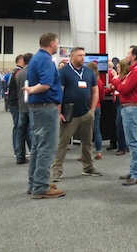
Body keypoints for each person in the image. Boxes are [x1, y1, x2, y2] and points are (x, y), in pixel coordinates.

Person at [24, 32, 65, 199]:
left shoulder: (36, 58)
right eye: (57, 43)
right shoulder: (46, 59)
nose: (58, 46)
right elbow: (46, 84)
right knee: (47, 147)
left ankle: (35, 182)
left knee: (37, 146)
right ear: (52, 43)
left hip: (37, 107)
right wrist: (32, 90)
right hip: (46, 107)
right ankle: (41, 186)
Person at [51, 47, 101, 182]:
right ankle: (56, 170)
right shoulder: (63, 72)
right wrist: (59, 112)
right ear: (72, 56)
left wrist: (92, 110)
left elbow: (95, 91)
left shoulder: (89, 72)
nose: (82, 58)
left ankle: (88, 167)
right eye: (80, 55)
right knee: (62, 143)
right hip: (70, 114)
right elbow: (59, 93)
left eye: (84, 55)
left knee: (87, 142)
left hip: (86, 113)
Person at [111, 45, 137, 186]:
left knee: (133, 142)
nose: (126, 56)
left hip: (132, 108)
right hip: (131, 108)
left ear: (134, 57)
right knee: (132, 141)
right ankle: (134, 171)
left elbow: (124, 89)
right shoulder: (134, 71)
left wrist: (115, 80)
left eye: (128, 53)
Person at [15, 53, 33, 164]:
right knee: (32, 131)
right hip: (32, 105)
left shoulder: (19, 73)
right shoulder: (33, 73)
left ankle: (19, 156)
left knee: (20, 131)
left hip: (21, 106)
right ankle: (34, 153)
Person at [86, 61, 106, 160]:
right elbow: (102, 96)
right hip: (97, 107)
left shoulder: (87, 81)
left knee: (85, 131)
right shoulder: (100, 82)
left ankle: (85, 153)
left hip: (87, 107)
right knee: (96, 130)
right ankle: (99, 152)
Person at [6, 54, 24, 159]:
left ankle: (18, 151)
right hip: (16, 103)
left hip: (14, 102)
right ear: (20, 61)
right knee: (18, 126)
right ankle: (18, 151)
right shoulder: (18, 72)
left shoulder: (15, 72)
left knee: (19, 126)